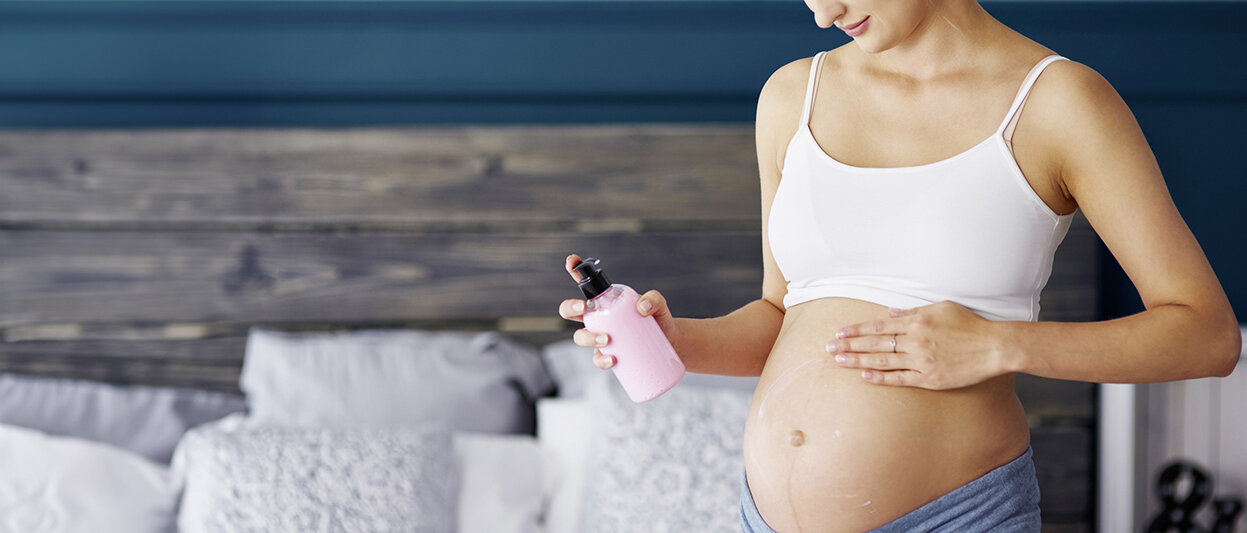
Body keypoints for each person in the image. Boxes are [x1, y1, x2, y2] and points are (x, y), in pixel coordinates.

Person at [558, 0, 1241, 531]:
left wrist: (998, 343)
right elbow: (779, 315)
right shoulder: (791, 96)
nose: (822, 13)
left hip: (951, 515)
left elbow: (1205, 335)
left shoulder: (1058, 103)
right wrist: (675, 340)